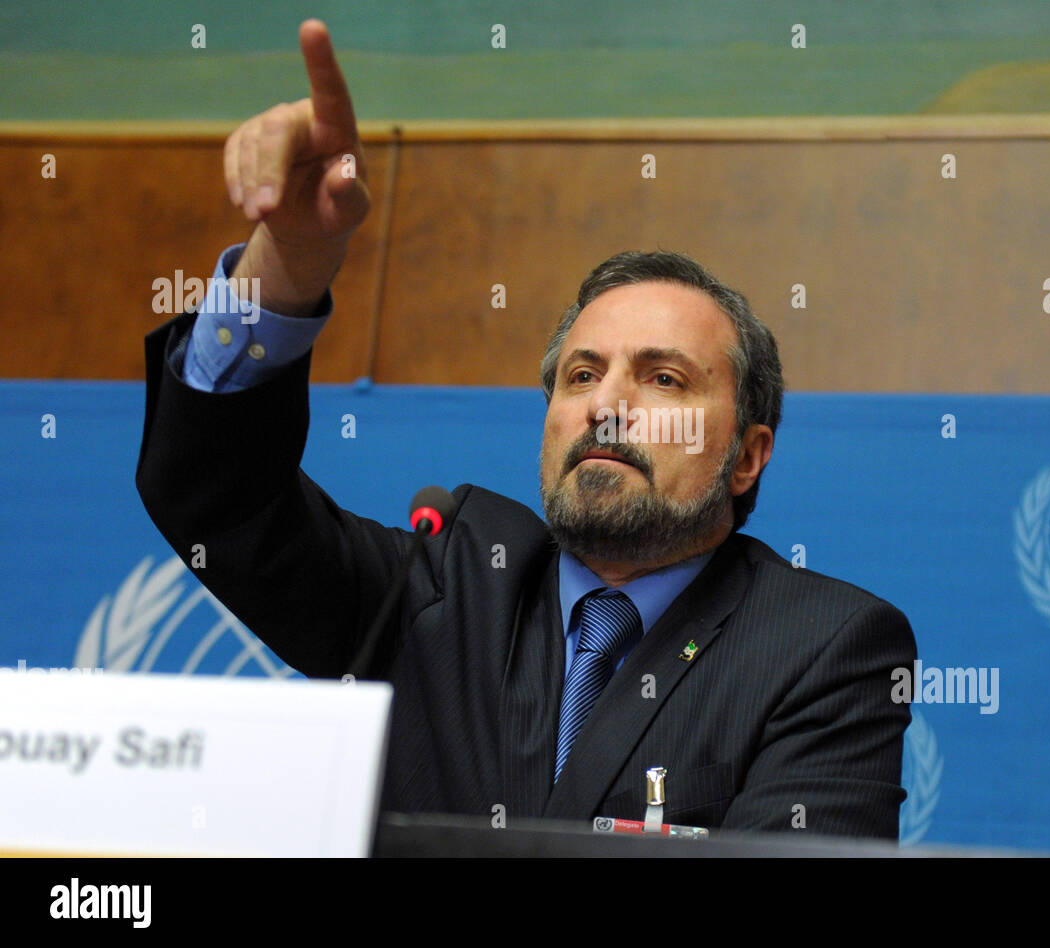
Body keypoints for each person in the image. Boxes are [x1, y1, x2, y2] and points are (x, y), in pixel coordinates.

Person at [136, 19, 916, 838]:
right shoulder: (439, 590)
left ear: (748, 456)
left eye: (662, 378)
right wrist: (289, 260)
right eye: (581, 375)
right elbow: (217, 499)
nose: (604, 406)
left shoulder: (824, 648)